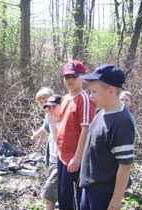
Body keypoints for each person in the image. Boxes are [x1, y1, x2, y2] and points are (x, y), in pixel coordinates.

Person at [79, 64, 136, 210]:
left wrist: (116, 201)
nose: (91, 96)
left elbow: (125, 166)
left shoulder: (121, 122)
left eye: (94, 91)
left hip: (104, 192)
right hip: (90, 186)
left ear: (111, 91)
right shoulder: (101, 112)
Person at [57, 60, 96, 210]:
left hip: (74, 160)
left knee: (74, 200)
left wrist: (77, 158)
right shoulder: (65, 98)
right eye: (67, 77)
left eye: (74, 76)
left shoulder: (84, 99)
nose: (70, 80)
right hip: (62, 156)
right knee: (63, 197)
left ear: (82, 77)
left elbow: (86, 130)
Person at [41, 94, 62, 210]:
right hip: (52, 161)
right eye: (49, 108)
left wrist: (53, 124)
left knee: (48, 194)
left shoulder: (64, 123)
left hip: (61, 162)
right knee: (57, 195)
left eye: (54, 107)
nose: (51, 110)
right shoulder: (51, 122)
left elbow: (59, 142)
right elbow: (44, 130)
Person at [31, 87, 54, 165]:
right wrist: (39, 143)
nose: (44, 104)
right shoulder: (47, 113)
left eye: (46, 101)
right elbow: (44, 130)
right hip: (51, 141)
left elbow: (45, 128)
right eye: (41, 102)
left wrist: (35, 135)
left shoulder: (53, 112)